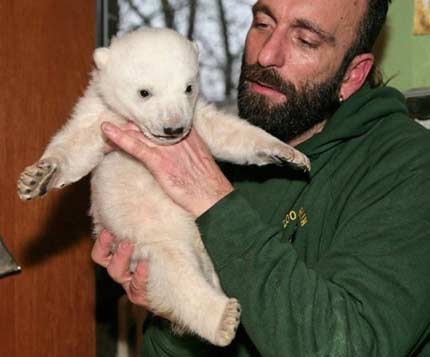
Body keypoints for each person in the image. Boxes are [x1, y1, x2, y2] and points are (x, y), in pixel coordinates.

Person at [91, 0, 430, 355]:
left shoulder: (410, 167)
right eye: (263, 24)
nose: (267, 54)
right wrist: (179, 310)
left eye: (305, 40)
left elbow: (347, 347)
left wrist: (211, 197)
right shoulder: (224, 152)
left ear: (352, 75)